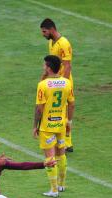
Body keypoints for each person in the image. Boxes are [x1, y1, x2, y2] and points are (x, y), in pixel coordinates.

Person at [33, 55, 75, 197]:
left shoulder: (43, 85)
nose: (43, 67)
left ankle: (54, 190)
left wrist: (35, 125)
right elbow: (72, 103)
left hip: (47, 126)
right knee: (61, 154)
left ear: (49, 68)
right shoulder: (67, 83)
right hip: (61, 124)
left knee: (49, 156)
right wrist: (69, 122)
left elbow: (39, 108)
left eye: (44, 65)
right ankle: (62, 184)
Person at [40, 18, 75, 153]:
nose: (43, 34)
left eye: (44, 31)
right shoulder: (51, 42)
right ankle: (66, 143)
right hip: (53, 81)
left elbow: (67, 66)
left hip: (63, 82)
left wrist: (63, 84)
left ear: (52, 29)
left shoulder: (64, 43)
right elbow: (51, 64)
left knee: (64, 110)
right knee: (57, 111)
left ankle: (66, 141)